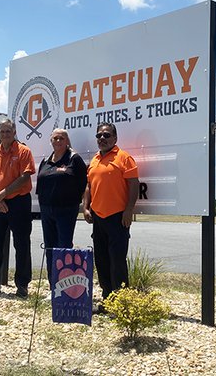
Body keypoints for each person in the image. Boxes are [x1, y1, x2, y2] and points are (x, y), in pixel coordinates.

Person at [0, 118, 36, 298]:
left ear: (14, 131)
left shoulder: (24, 151)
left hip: (19, 202)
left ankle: (22, 285)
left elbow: (25, 177)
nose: (5, 134)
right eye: (2, 131)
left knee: (22, 243)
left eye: (8, 131)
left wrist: (2, 193)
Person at [82, 122, 139, 308]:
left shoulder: (124, 158)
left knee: (117, 261)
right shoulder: (95, 160)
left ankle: (122, 303)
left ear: (115, 138)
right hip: (98, 218)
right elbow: (89, 186)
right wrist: (86, 207)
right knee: (102, 260)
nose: (102, 139)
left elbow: (133, 184)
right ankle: (107, 300)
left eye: (106, 135)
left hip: (118, 217)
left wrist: (129, 210)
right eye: (99, 136)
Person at [36, 128, 87, 284]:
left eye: (61, 138)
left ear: (67, 141)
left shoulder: (74, 159)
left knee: (64, 247)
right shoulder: (45, 161)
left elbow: (84, 185)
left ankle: (64, 286)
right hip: (46, 210)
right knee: (50, 248)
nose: (58, 141)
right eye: (55, 138)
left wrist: (83, 205)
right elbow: (40, 186)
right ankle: (53, 285)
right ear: (51, 140)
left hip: (66, 210)